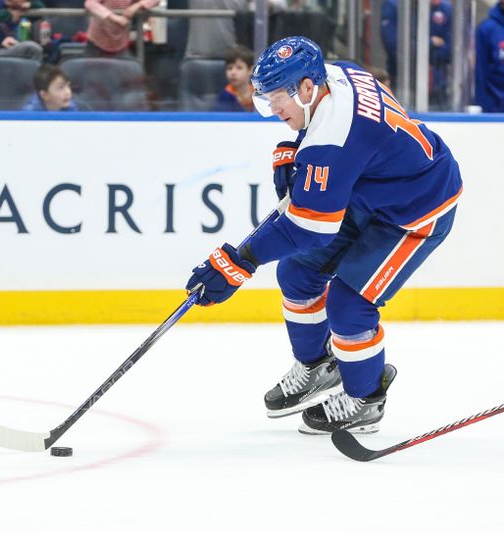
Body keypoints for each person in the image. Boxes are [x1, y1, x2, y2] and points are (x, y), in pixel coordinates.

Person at [185, 36, 463, 435]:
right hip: (371, 188)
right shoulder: (337, 72)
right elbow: (337, 137)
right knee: (297, 275)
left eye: (277, 98)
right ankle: (318, 366)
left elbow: (310, 229)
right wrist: (295, 146)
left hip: (416, 208)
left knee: (349, 305)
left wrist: (239, 261)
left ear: (306, 87)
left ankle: (366, 399)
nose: (273, 109)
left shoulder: (334, 142)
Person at [381, 0, 452, 108]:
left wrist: (419, 48)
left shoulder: (445, 8)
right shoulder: (395, 5)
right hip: (403, 86)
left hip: (439, 89)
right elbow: (396, 48)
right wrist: (431, 43)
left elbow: (451, 51)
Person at [83, 0, 161, 57]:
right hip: (96, 44)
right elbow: (90, 3)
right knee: (91, 77)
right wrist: (114, 17)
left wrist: (137, 5)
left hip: (120, 46)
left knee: (122, 77)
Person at [212, 45, 254, 112]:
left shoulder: (258, 93)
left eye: (239, 68)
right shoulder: (224, 97)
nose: (233, 72)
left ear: (250, 70)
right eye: (229, 68)